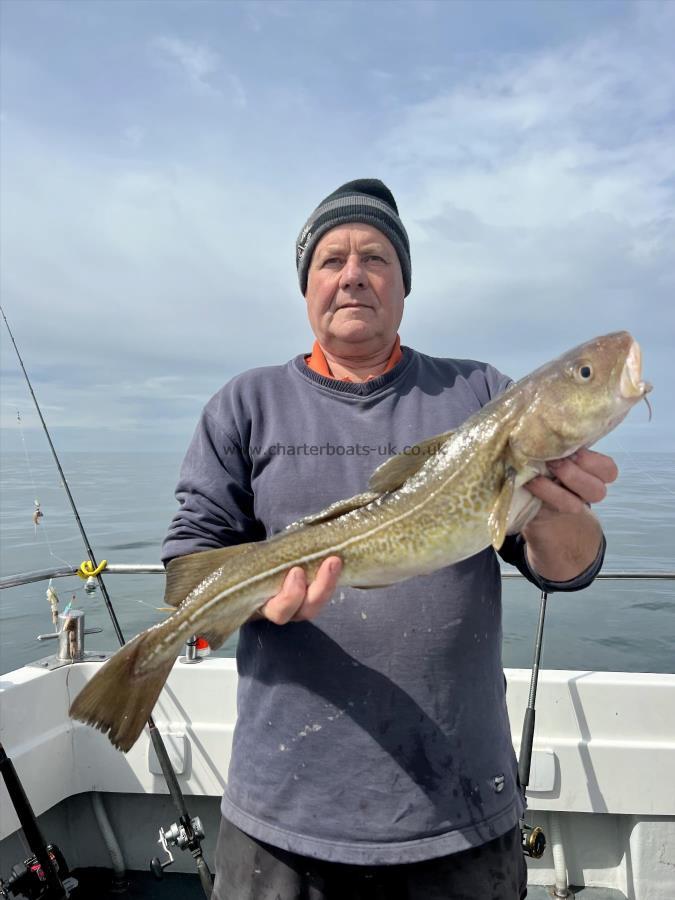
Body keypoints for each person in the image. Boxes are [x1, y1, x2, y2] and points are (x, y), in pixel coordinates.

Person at [162, 179, 616, 900]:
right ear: (306, 285)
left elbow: (567, 571)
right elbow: (191, 563)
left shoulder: (477, 396)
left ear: (403, 285)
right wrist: (255, 602)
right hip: (282, 813)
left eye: (375, 258)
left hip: (459, 806)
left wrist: (556, 506)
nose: (352, 275)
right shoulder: (245, 405)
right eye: (331, 259)